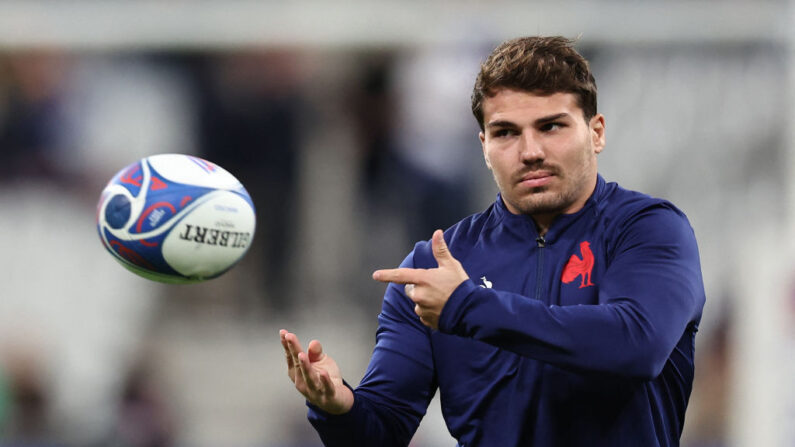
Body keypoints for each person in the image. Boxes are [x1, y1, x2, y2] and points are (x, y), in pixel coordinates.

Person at [280, 36, 706, 446]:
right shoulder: (436, 267)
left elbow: (636, 345)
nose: (530, 150)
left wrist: (467, 306)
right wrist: (338, 406)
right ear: (483, 146)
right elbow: (383, 428)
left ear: (596, 133)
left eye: (551, 126)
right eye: (505, 133)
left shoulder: (648, 230)